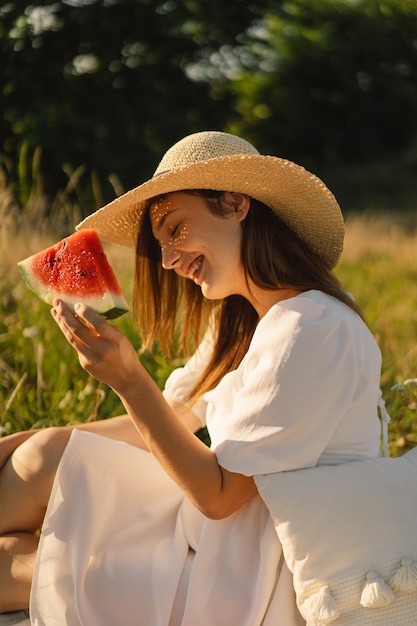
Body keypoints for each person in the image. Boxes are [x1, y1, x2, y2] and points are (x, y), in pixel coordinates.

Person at [0, 131, 383, 626]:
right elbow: (177, 418)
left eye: (176, 229)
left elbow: (220, 496)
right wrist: (16, 440)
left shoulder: (312, 327)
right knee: (39, 455)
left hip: (253, 578)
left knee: (11, 556)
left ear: (235, 203)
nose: (167, 261)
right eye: (159, 245)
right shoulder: (246, 323)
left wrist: (129, 381)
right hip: (213, 541)